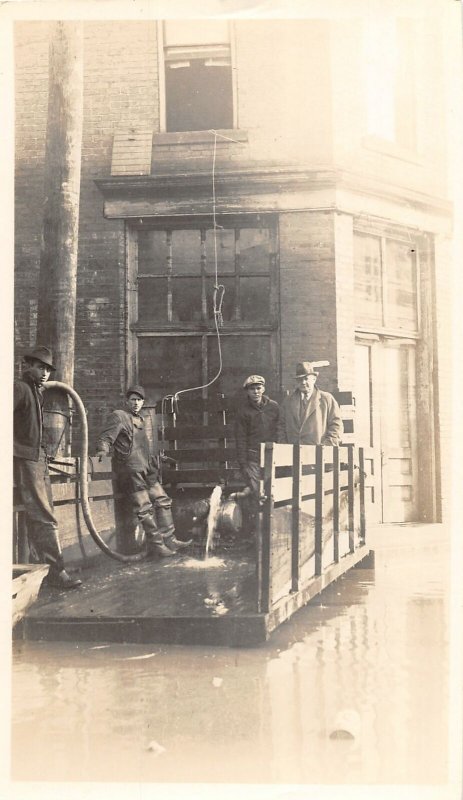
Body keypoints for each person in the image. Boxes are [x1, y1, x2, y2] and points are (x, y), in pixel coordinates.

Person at [14, 346, 82, 589]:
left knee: (47, 514)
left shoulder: (36, 392)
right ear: (28, 366)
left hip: (38, 458)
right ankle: (56, 572)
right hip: (26, 459)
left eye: (47, 369)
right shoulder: (20, 389)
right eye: (40, 367)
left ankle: (49, 567)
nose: (44, 373)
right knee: (43, 516)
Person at [95, 385, 191, 558]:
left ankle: (169, 539)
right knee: (144, 507)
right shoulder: (119, 416)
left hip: (147, 469)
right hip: (131, 470)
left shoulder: (141, 419)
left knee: (162, 500)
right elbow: (106, 438)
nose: (136, 403)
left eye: (139, 400)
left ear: (143, 402)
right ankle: (156, 545)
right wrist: (102, 451)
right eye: (133, 399)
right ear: (126, 401)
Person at [232, 376, 280, 532]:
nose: (256, 392)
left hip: (273, 457)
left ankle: (272, 530)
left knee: (272, 490)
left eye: (258, 388)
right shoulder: (243, 411)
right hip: (253, 458)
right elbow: (240, 438)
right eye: (252, 389)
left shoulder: (274, 407)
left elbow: (281, 430)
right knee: (257, 493)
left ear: (263, 389)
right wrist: (243, 463)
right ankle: (257, 533)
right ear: (247, 391)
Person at [278, 360, 343, 445]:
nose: (303, 382)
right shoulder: (288, 401)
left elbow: (336, 425)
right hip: (293, 453)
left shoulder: (327, 399)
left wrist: (326, 447)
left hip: (319, 453)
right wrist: (285, 446)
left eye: (306, 379)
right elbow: (281, 427)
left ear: (314, 379)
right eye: (300, 380)